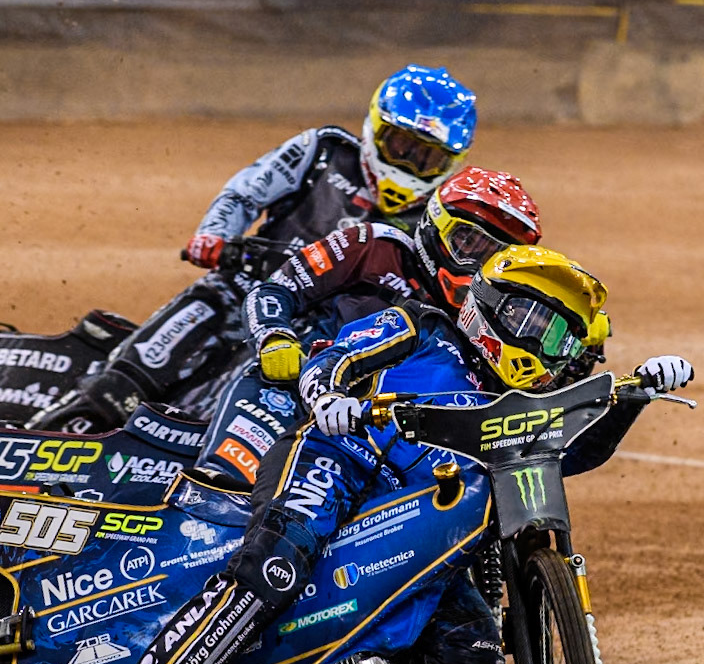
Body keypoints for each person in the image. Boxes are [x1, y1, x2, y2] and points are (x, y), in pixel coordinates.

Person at [81, 245, 695, 664]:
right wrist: (328, 397)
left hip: (417, 523)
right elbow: (334, 359)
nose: (548, 345)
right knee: (277, 563)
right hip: (338, 458)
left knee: (473, 658)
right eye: (538, 323)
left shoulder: (522, 401)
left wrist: (636, 394)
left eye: (563, 337)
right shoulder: (421, 326)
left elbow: (575, 450)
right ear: (494, 308)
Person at [29, 65, 478, 433]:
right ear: (375, 128)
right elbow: (245, 193)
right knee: (126, 378)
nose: (410, 165)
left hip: (306, 334)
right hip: (236, 289)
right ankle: (46, 432)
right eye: (401, 146)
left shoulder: (437, 219)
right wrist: (215, 235)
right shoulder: (322, 149)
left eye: (427, 158)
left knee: (215, 422)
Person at [187, 165, 550, 488]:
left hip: (397, 432)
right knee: (225, 487)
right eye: (466, 241)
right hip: (300, 391)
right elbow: (273, 290)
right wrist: (274, 337)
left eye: (492, 255)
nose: (472, 263)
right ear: (435, 223)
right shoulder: (371, 243)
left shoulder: (493, 305)